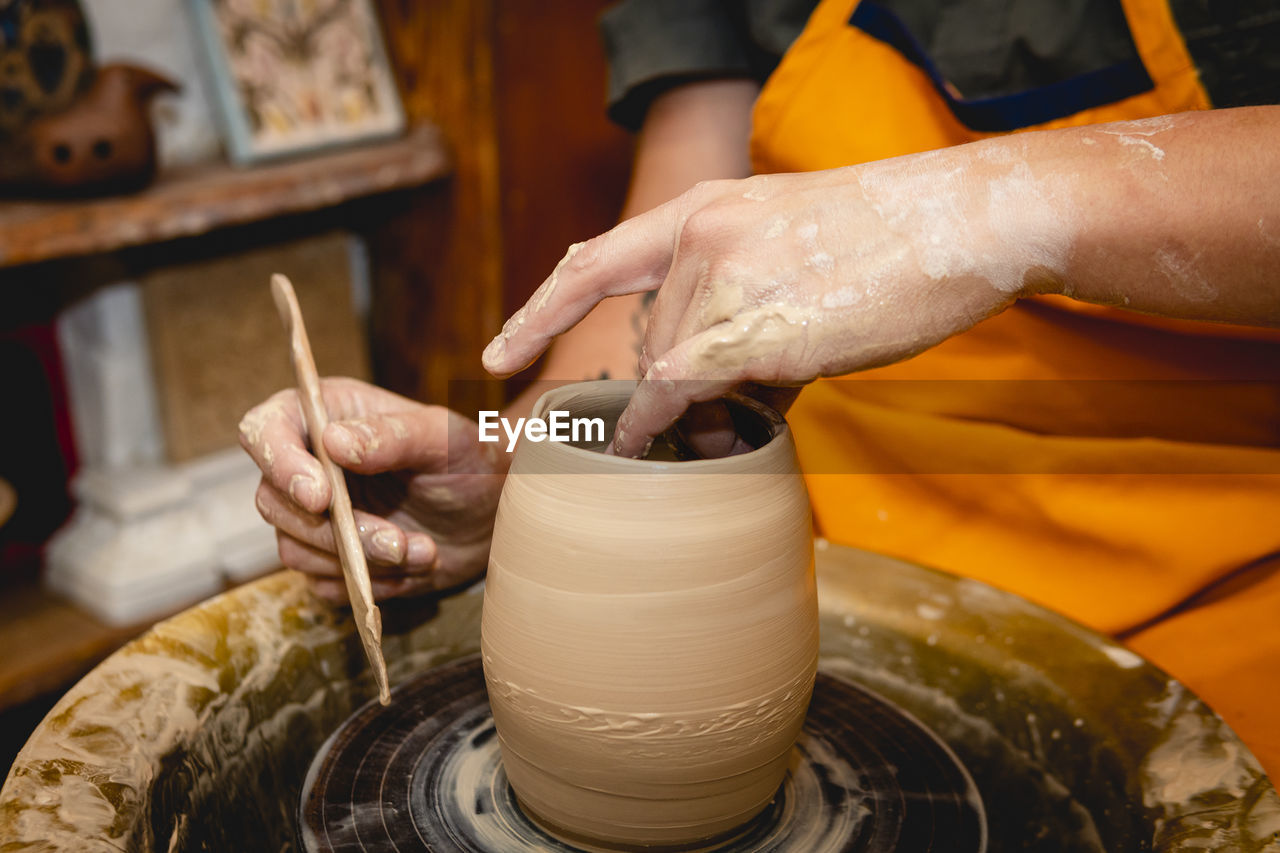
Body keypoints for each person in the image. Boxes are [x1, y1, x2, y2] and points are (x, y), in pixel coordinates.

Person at [240, 0, 1280, 775]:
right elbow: (678, 250)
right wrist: (525, 465)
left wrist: (986, 212)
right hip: (812, 560)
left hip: (1216, 594)